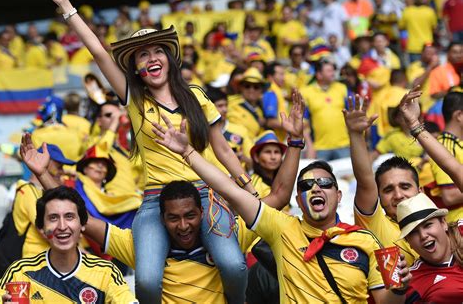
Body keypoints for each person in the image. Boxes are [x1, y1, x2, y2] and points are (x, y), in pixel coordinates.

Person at [42, 0, 251, 303]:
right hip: (156, 200)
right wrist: (66, 6)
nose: (151, 58)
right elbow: (97, 51)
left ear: (169, 59)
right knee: (149, 282)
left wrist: (246, 187)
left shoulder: (196, 95)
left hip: (206, 193)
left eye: (157, 51)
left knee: (235, 266)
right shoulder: (135, 99)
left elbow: (224, 150)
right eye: (142, 54)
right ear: (136, 67)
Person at [20, 89, 305, 303]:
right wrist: (44, 176)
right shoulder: (141, 248)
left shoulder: (225, 231)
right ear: (159, 218)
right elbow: (79, 216)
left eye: (190, 216)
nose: (183, 225)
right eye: (173, 218)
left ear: (204, 212)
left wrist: (294, 142)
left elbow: (279, 196)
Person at [152, 114, 412, 303]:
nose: (316, 188)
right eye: (307, 185)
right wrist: (187, 152)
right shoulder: (281, 227)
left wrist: (399, 288)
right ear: (298, 201)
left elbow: (386, 302)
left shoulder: (366, 241)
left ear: (339, 194)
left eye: (325, 183)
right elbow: (228, 188)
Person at [0, 186, 138, 304]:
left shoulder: (106, 273)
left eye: (69, 217)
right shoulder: (19, 273)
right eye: (53, 217)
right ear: (42, 228)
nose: (62, 226)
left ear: (82, 225)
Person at [344, 95, 420, 265]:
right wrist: (356, 135)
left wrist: (415, 125)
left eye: (405, 186)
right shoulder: (376, 223)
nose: (398, 195)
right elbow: (365, 181)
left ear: (420, 191)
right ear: (378, 197)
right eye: (388, 190)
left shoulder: (437, 223)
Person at [396, 193, 463, 303]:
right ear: (409, 243)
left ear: (443, 223)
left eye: (427, 225)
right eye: (413, 232)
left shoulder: (461, 229)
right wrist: (398, 290)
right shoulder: (414, 279)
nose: (423, 236)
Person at [13, 144, 75, 258]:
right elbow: (45, 230)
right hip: (36, 260)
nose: (62, 171)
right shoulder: (27, 191)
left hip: (52, 258)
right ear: (46, 161)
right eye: (59, 166)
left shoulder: (41, 191)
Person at [399, 87, 463, 192]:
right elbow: (452, 168)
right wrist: (414, 123)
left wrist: (414, 124)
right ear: (459, 115)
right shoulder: (446, 144)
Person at [301, 58, 350, 161]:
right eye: (329, 71)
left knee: (348, 176)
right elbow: (303, 123)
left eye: (333, 70)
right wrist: (310, 146)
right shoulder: (306, 92)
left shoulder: (342, 88)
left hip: (344, 145)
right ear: (319, 75)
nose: (333, 74)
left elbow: (353, 115)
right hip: (319, 148)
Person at [427, 92, 463, 222]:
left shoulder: (457, 144)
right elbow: (450, 196)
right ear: (459, 115)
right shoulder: (444, 145)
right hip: (459, 223)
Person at [206, 88, 253, 170]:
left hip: (239, 179)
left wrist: (242, 158)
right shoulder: (201, 133)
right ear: (209, 108)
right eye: (220, 106)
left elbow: (252, 161)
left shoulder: (240, 130)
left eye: (226, 105)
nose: (225, 110)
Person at [227, 67, 266, 140]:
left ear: (261, 90)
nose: (251, 90)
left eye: (256, 87)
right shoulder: (230, 103)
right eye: (247, 86)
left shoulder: (260, 110)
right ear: (241, 87)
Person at [262, 62, 288, 141]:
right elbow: (270, 122)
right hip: (274, 139)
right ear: (270, 77)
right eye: (280, 74)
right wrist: (291, 127)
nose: (284, 78)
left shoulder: (277, 91)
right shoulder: (271, 92)